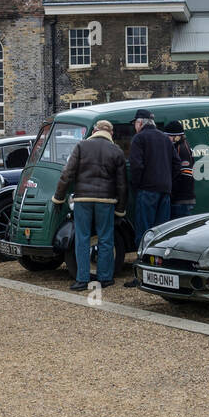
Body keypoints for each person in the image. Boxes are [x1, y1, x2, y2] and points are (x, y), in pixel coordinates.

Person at [51, 118, 128, 291]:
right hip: (106, 201)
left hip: (82, 200)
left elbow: (67, 174)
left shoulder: (81, 146)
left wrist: (58, 198)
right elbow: (122, 185)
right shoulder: (116, 151)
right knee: (106, 239)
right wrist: (120, 210)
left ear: (94, 131)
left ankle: (82, 279)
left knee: (82, 239)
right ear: (111, 133)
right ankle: (105, 278)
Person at [125, 109, 179, 286]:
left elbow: (136, 166)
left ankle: (141, 274)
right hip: (165, 191)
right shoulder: (165, 138)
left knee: (144, 233)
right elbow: (176, 163)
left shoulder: (139, 139)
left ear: (140, 123)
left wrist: (137, 185)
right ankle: (159, 273)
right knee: (161, 233)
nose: (135, 126)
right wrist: (168, 180)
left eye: (135, 123)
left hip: (147, 191)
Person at [168, 121, 196, 218]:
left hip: (181, 200)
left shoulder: (182, 149)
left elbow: (185, 175)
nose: (167, 139)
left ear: (177, 137)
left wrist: (173, 194)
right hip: (183, 199)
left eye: (169, 136)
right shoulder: (183, 146)